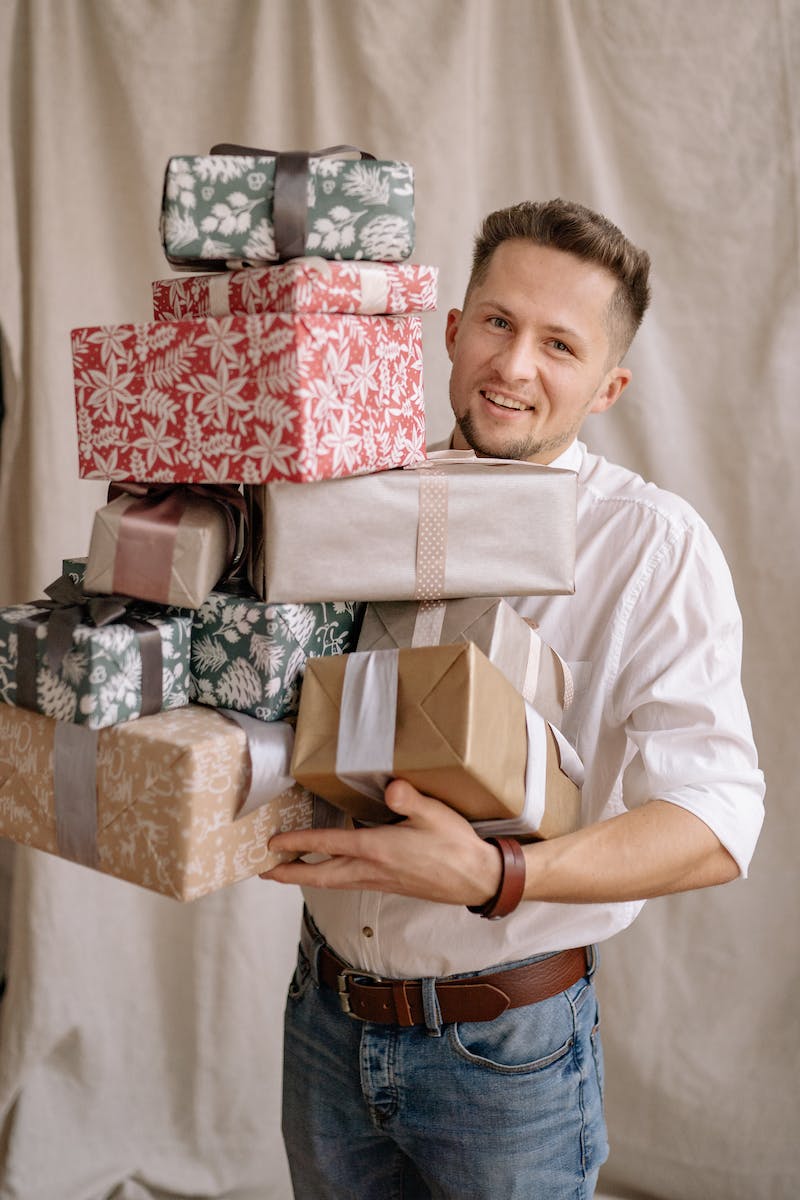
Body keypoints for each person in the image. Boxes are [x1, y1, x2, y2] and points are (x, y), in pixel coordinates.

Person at [263, 199, 765, 1199]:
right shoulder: (348, 502)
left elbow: (716, 822)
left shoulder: (650, 547)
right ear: (450, 329)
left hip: (504, 1053)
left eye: (558, 344)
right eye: (495, 322)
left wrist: (499, 875)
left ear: (607, 385)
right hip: (324, 1018)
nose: (512, 366)